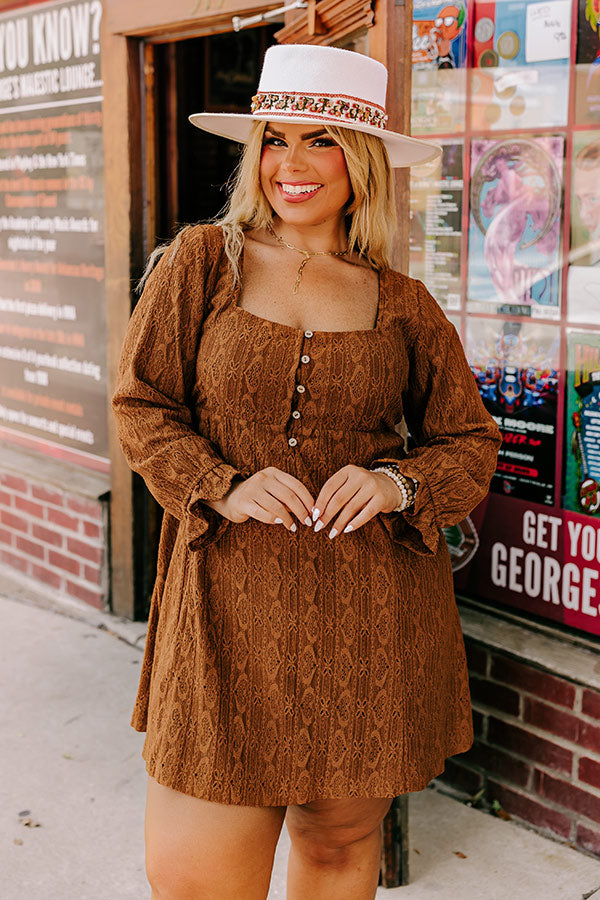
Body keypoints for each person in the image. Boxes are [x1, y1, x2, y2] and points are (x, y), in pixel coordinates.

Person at [112, 43, 501, 900]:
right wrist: (220, 481)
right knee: (194, 881)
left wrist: (398, 484)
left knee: (336, 845)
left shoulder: (402, 301)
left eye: (319, 139)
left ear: (358, 161)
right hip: (225, 608)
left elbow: (469, 440)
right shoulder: (201, 263)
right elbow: (141, 404)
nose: (291, 163)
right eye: (275, 140)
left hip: (368, 615)